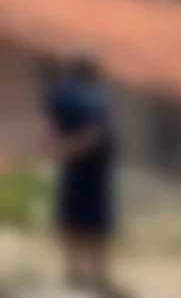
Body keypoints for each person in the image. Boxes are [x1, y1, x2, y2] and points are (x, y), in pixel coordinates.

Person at [43, 52, 125, 297]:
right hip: (86, 162)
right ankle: (94, 276)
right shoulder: (86, 96)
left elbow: (52, 127)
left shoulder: (63, 94)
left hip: (83, 163)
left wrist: (62, 149)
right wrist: (75, 147)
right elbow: (96, 130)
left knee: (78, 217)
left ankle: (77, 273)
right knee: (91, 220)